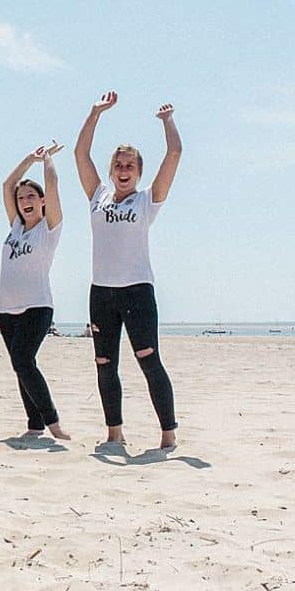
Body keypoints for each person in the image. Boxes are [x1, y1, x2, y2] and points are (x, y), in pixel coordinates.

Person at [74, 91, 182, 450]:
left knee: (148, 359)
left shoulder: (147, 200)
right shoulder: (97, 197)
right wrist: (94, 113)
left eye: (130, 166)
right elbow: (80, 154)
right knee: (104, 363)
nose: (123, 171)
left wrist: (167, 122)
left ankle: (168, 434)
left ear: (139, 172)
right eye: (118, 166)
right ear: (111, 170)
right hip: (101, 292)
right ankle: (114, 433)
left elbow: (175, 154)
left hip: (137, 292)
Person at [0, 143, 70, 440]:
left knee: (23, 361)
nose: (25, 200)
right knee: (20, 366)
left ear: (42, 202)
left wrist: (47, 160)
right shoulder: (15, 227)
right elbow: (6, 184)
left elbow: (52, 185)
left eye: (31, 196)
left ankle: (52, 422)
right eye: (21, 197)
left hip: (37, 307)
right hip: (5, 310)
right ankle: (34, 425)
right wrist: (28, 157)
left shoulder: (48, 228)